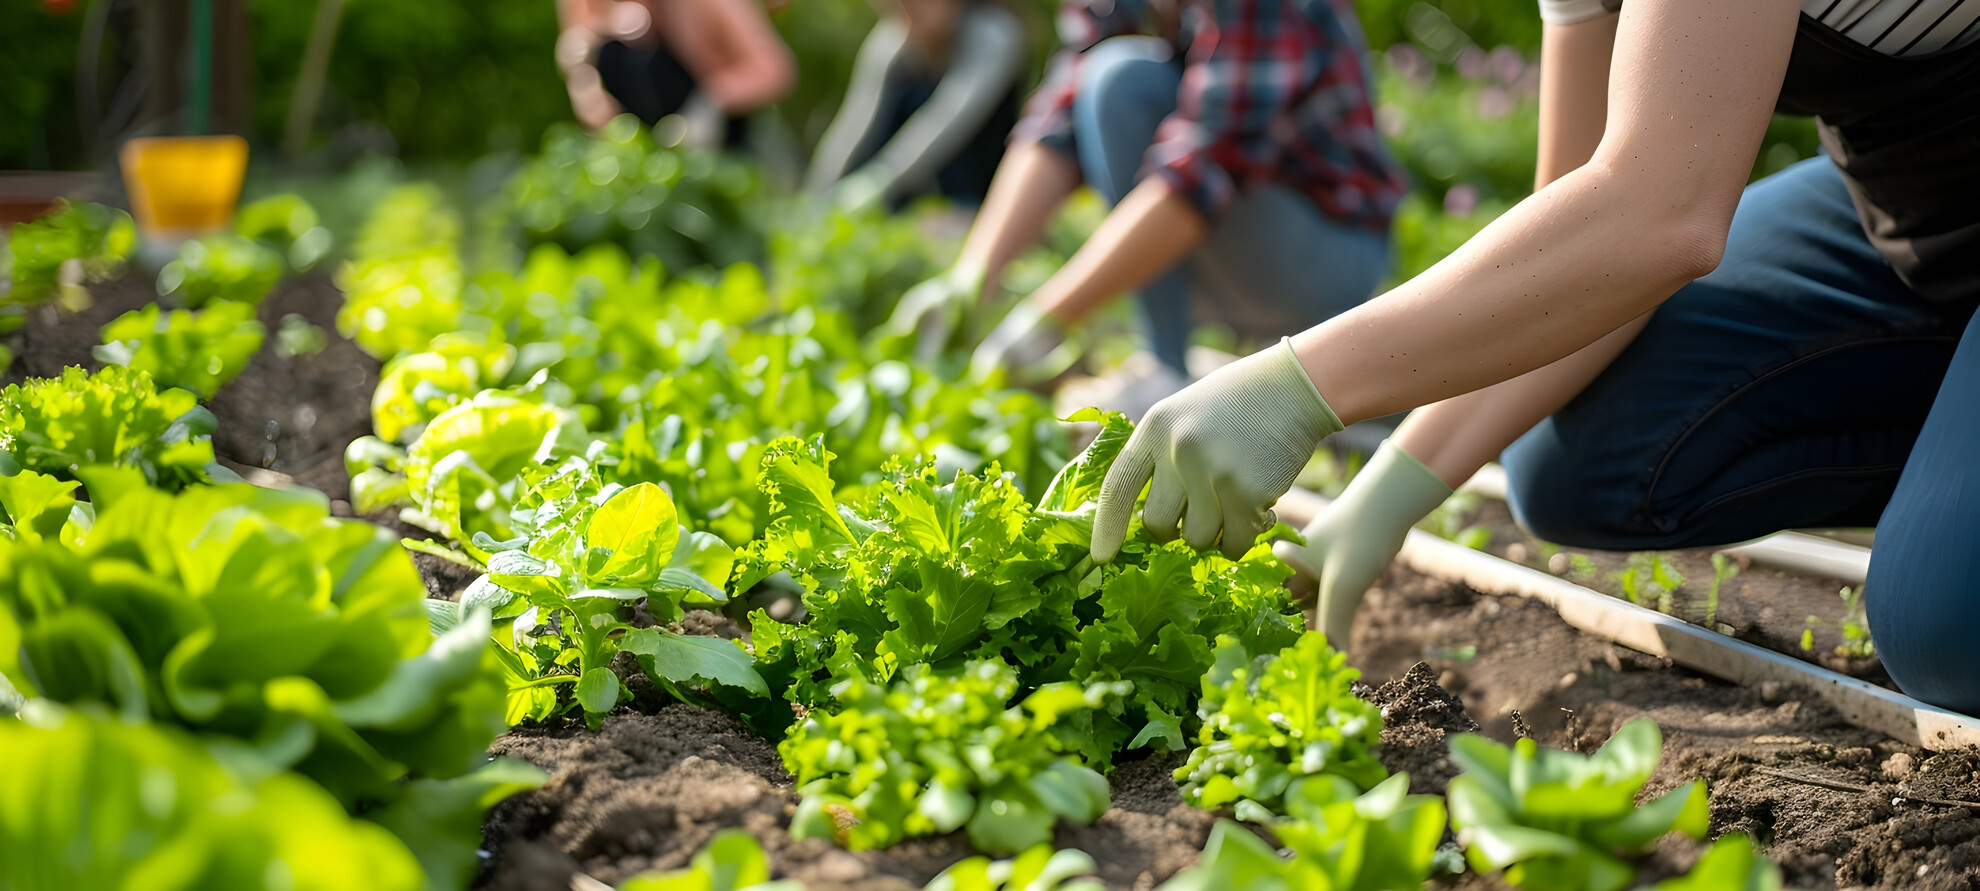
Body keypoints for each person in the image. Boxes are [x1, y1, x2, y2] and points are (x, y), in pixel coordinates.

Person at [1090, 0, 1980, 712]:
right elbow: (1584, 230)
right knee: (1582, 460)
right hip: (1905, 200)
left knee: (1947, 622)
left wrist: (1297, 388)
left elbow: (1659, 215)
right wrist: (1384, 494)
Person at [882, 0, 1403, 414]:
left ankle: (1166, 375)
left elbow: (1208, 163)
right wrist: (972, 277)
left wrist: (1044, 318)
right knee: (1108, 76)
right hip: (1239, 244)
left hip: (1325, 256)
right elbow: (1058, 118)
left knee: (1123, 81)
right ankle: (1166, 366)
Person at [804, 0, 1028, 212]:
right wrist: (815, 198)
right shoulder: (890, 40)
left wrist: (875, 183)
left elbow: (942, 122)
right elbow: (853, 128)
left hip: (979, 198)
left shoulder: (995, 35)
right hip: (909, 202)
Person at [555, 0, 795, 148]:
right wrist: (586, 88)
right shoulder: (589, 7)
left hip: (726, 147)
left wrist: (711, 104)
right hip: (641, 164)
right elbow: (574, 57)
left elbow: (774, 70)